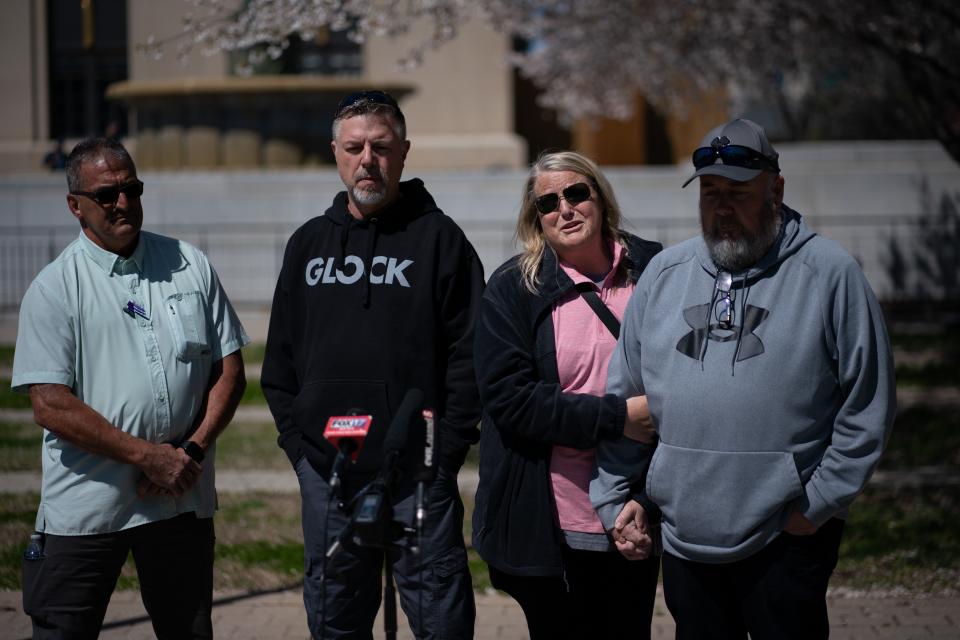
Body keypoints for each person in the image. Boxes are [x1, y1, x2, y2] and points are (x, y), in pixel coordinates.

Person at [591, 118, 897, 639]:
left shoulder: (830, 274)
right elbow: (627, 397)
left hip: (787, 534)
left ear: (775, 189)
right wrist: (616, 498)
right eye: (710, 193)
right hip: (685, 535)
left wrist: (817, 504)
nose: (722, 207)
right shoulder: (665, 275)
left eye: (738, 192)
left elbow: (868, 404)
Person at [261, 90, 484, 639]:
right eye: (355, 147)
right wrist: (299, 450)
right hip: (328, 474)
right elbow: (280, 360)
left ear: (403, 152)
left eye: (380, 147)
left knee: (441, 623)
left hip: (418, 477)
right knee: (335, 622)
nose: (368, 160)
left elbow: (469, 356)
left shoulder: (441, 240)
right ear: (335, 152)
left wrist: (444, 451)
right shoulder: (308, 243)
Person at [12, 137, 249, 638]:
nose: (123, 202)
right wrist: (147, 457)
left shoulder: (189, 265)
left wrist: (190, 451)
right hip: (88, 509)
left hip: (179, 498)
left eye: (132, 189)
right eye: (107, 194)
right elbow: (51, 405)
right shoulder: (55, 288)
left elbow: (229, 370)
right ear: (75, 205)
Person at [472, 151, 662, 639]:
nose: (566, 209)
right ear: (535, 218)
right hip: (553, 518)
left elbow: (686, 383)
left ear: (600, 198)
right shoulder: (514, 288)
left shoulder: (657, 271)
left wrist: (643, 497)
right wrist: (615, 417)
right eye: (548, 202)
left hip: (636, 511)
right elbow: (511, 400)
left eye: (577, 193)